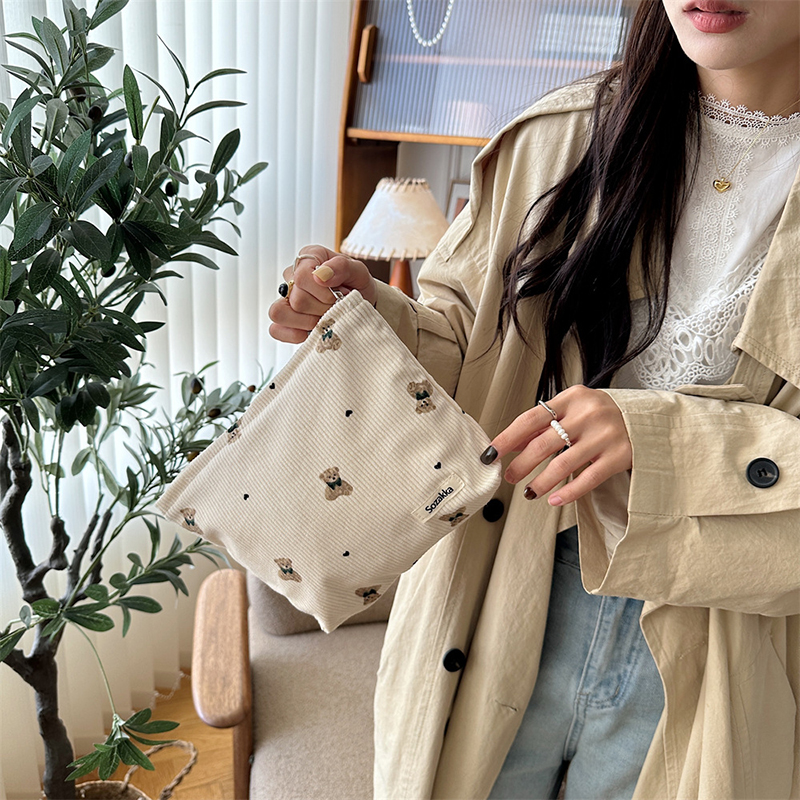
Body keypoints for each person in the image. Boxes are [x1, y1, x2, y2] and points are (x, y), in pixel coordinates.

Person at [268, 1, 800, 797]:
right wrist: (377, 321)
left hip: (728, 638)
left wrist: (661, 444)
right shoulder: (559, 139)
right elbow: (470, 348)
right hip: (503, 587)